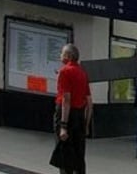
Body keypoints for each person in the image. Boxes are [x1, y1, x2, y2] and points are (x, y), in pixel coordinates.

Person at [54, 43, 91, 174]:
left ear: (68, 56)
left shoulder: (64, 72)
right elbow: (89, 101)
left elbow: (66, 99)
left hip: (67, 115)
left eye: (62, 53)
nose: (60, 55)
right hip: (80, 115)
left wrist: (63, 125)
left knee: (65, 154)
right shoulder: (83, 72)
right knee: (78, 153)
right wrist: (86, 124)